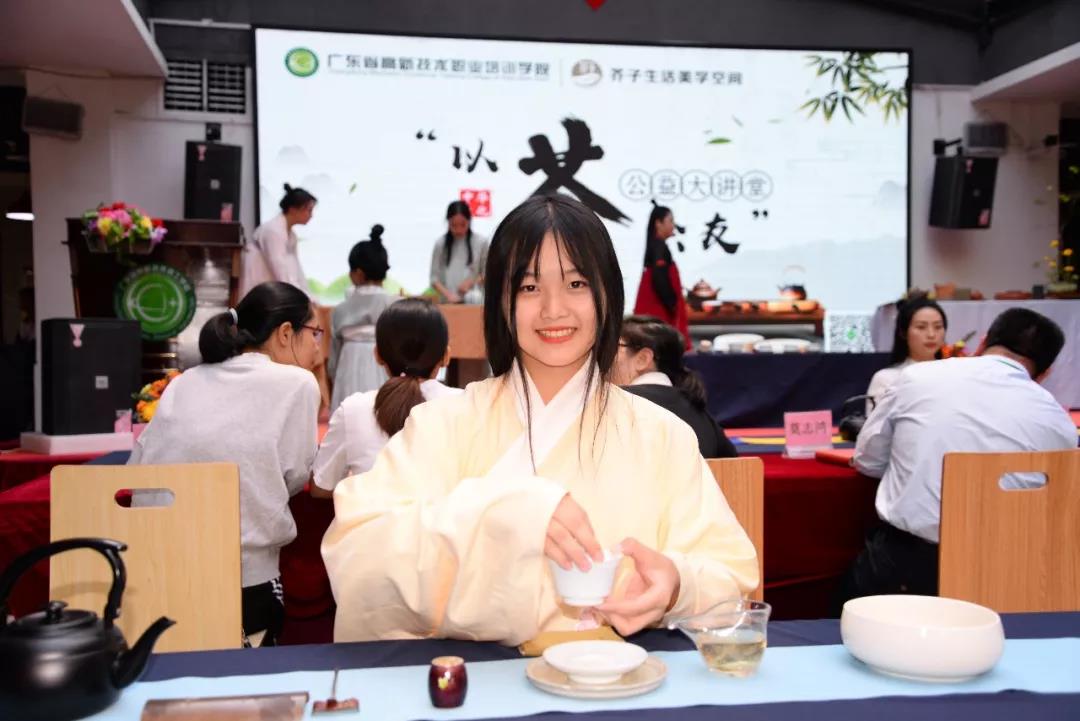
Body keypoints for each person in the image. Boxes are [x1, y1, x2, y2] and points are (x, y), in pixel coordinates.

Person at [322, 194, 758, 646]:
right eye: (529, 287)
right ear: (501, 302)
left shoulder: (662, 435)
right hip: (476, 682)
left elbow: (729, 574)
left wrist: (677, 584)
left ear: (608, 295)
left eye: (576, 284)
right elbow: (358, 559)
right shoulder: (442, 423)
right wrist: (511, 515)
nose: (553, 309)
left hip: (621, 681)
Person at [835, 307, 1076, 610]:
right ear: (1045, 373)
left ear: (983, 341)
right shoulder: (1060, 423)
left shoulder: (917, 378)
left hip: (910, 572)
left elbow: (868, 462)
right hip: (1011, 579)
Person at [129, 281, 322, 646]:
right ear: (285, 333)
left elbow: (138, 469)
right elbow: (295, 478)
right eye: (314, 333)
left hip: (157, 571)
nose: (317, 346)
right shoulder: (298, 383)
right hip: (244, 581)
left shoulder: (185, 381)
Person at [313, 298, 460, 498]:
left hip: (370, 519)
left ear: (378, 355)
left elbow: (321, 487)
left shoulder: (353, 410)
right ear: (446, 356)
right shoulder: (467, 405)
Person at [612, 315, 737, 458]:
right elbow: (731, 464)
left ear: (643, 359)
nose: (602, 356)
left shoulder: (616, 403)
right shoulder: (699, 412)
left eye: (612, 347)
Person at [328, 224, 399, 411]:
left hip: (348, 372)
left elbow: (333, 359)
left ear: (358, 274)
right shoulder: (394, 305)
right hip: (385, 373)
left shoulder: (341, 310)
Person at [866, 296, 948, 414]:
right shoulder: (887, 379)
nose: (931, 334)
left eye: (938, 327)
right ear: (903, 333)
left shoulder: (953, 374)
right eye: (921, 327)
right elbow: (877, 424)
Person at [241, 184, 317, 297]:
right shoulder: (273, 230)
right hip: (258, 277)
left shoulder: (292, 236)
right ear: (292, 209)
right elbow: (279, 268)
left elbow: (297, 270)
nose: (311, 215)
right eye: (308, 210)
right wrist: (299, 296)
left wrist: (308, 295)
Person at [632, 203, 690, 349]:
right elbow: (659, 280)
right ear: (658, 223)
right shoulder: (659, 248)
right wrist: (673, 304)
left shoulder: (656, 246)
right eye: (670, 221)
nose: (673, 225)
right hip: (658, 313)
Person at [429, 200, 490, 303]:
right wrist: (449, 295)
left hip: (475, 301)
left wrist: (472, 282)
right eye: (453, 225)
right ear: (448, 223)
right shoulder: (440, 244)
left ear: (469, 221)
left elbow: (488, 273)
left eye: (463, 225)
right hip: (447, 302)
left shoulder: (481, 242)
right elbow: (434, 278)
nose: (458, 230)